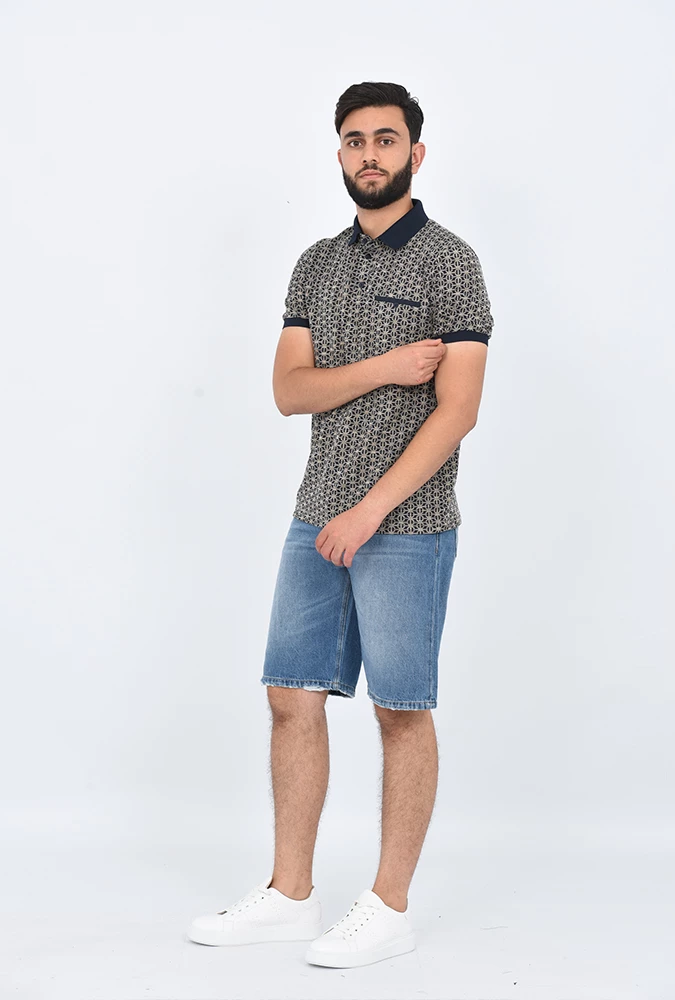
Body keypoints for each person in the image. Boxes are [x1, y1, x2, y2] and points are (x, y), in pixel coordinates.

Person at [187, 81, 493, 970]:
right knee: (291, 696)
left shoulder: (450, 262)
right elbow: (291, 390)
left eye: (386, 140)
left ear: (415, 154)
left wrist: (370, 511)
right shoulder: (316, 265)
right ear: (339, 154)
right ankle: (290, 894)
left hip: (407, 523)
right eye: (356, 140)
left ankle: (389, 907)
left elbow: (458, 410)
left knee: (401, 710)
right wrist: (388, 365)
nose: (370, 154)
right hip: (315, 515)